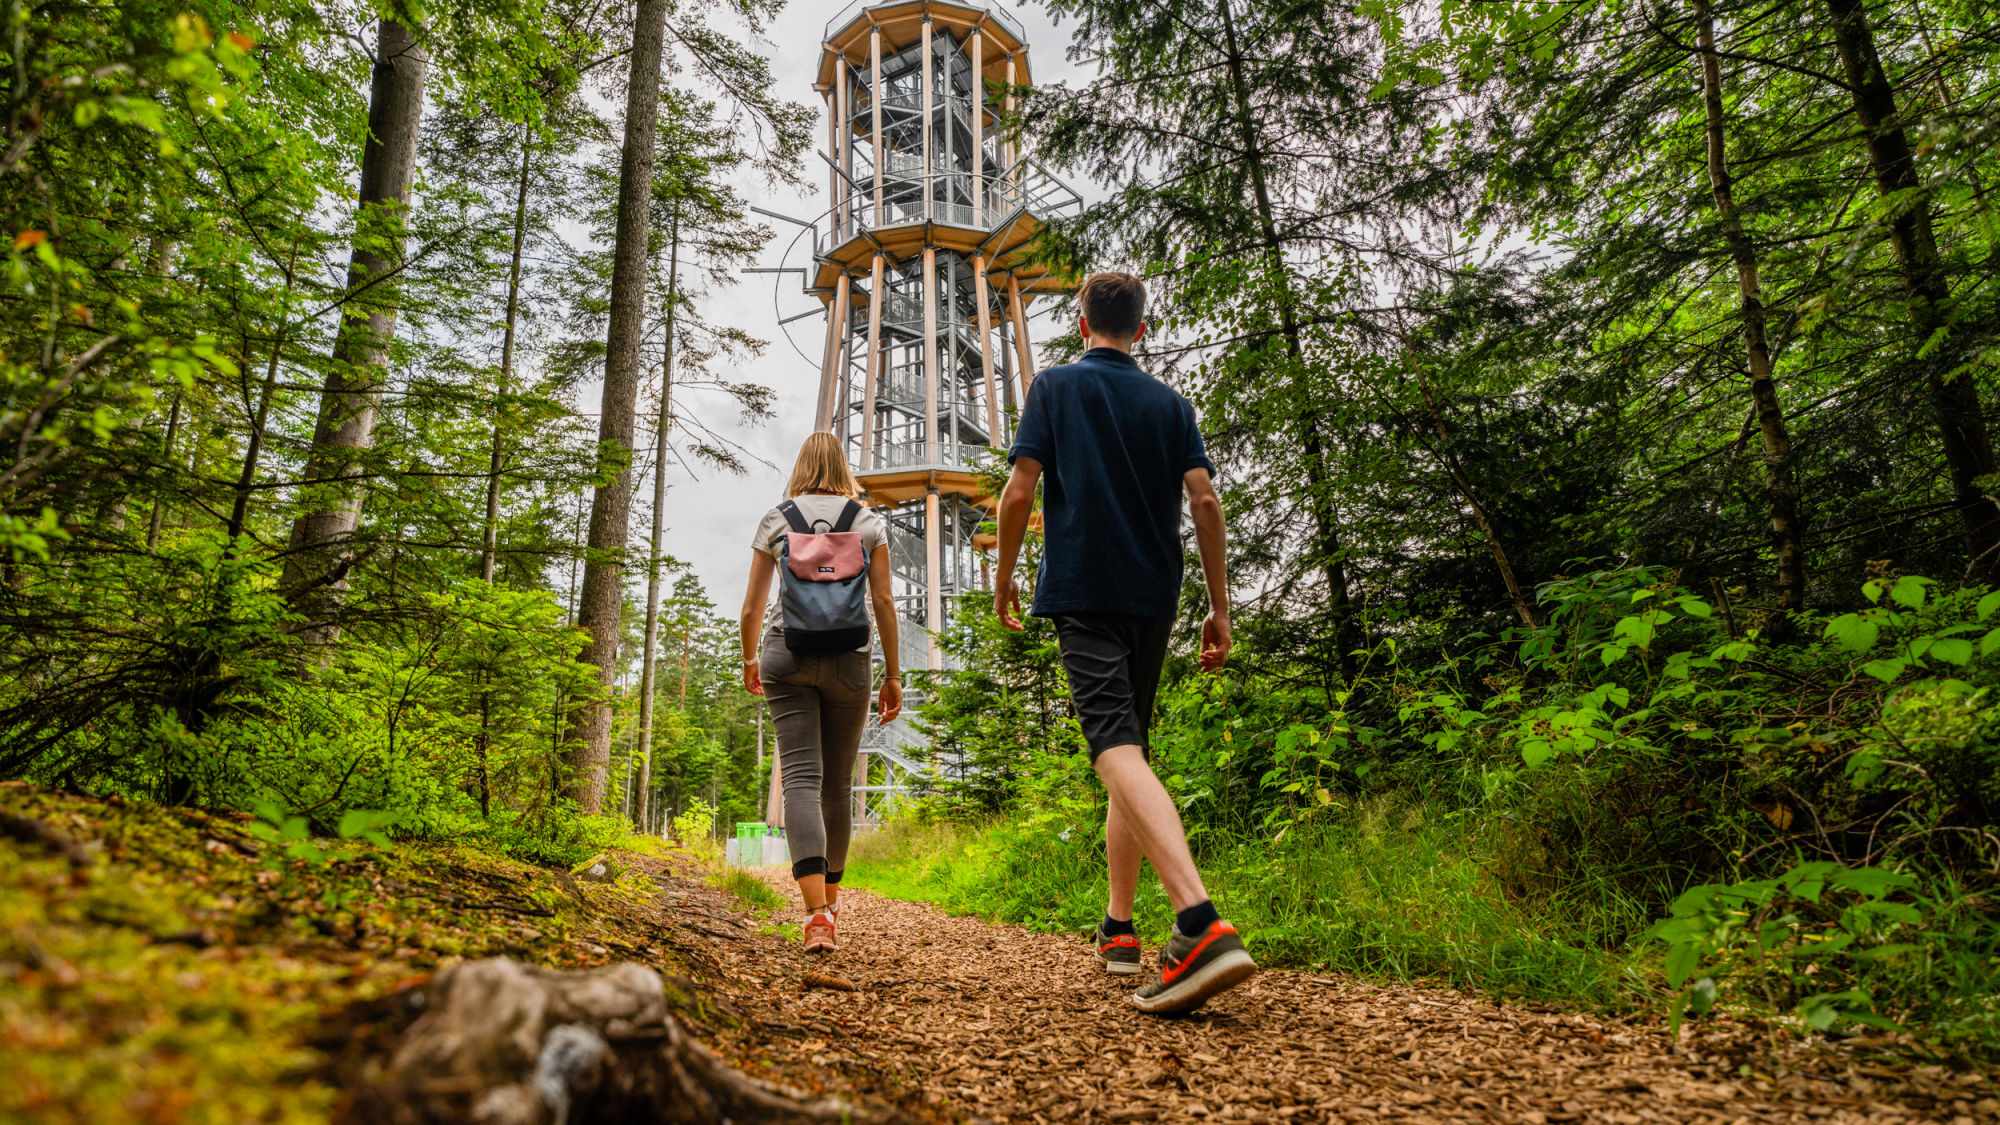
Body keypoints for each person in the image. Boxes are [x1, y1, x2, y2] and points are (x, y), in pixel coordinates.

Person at [992, 271, 1254, 1014]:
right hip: (1153, 594)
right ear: (1141, 330)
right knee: (1129, 745)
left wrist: (1006, 575)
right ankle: (1117, 927)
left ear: (1083, 325)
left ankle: (1199, 922)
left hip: (1083, 586)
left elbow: (1019, 491)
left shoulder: (1055, 388)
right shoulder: (1173, 405)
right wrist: (1220, 609)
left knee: (1111, 746)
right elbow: (1205, 500)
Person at [739, 431, 902, 953]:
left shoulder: (777, 518)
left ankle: (815, 917)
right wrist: (893, 673)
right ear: (843, 466)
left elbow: (752, 607)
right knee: (835, 786)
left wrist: (749, 659)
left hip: (786, 654)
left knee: (801, 782)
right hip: (851, 662)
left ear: (802, 466)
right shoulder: (868, 522)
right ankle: (830, 904)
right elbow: (883, 601)